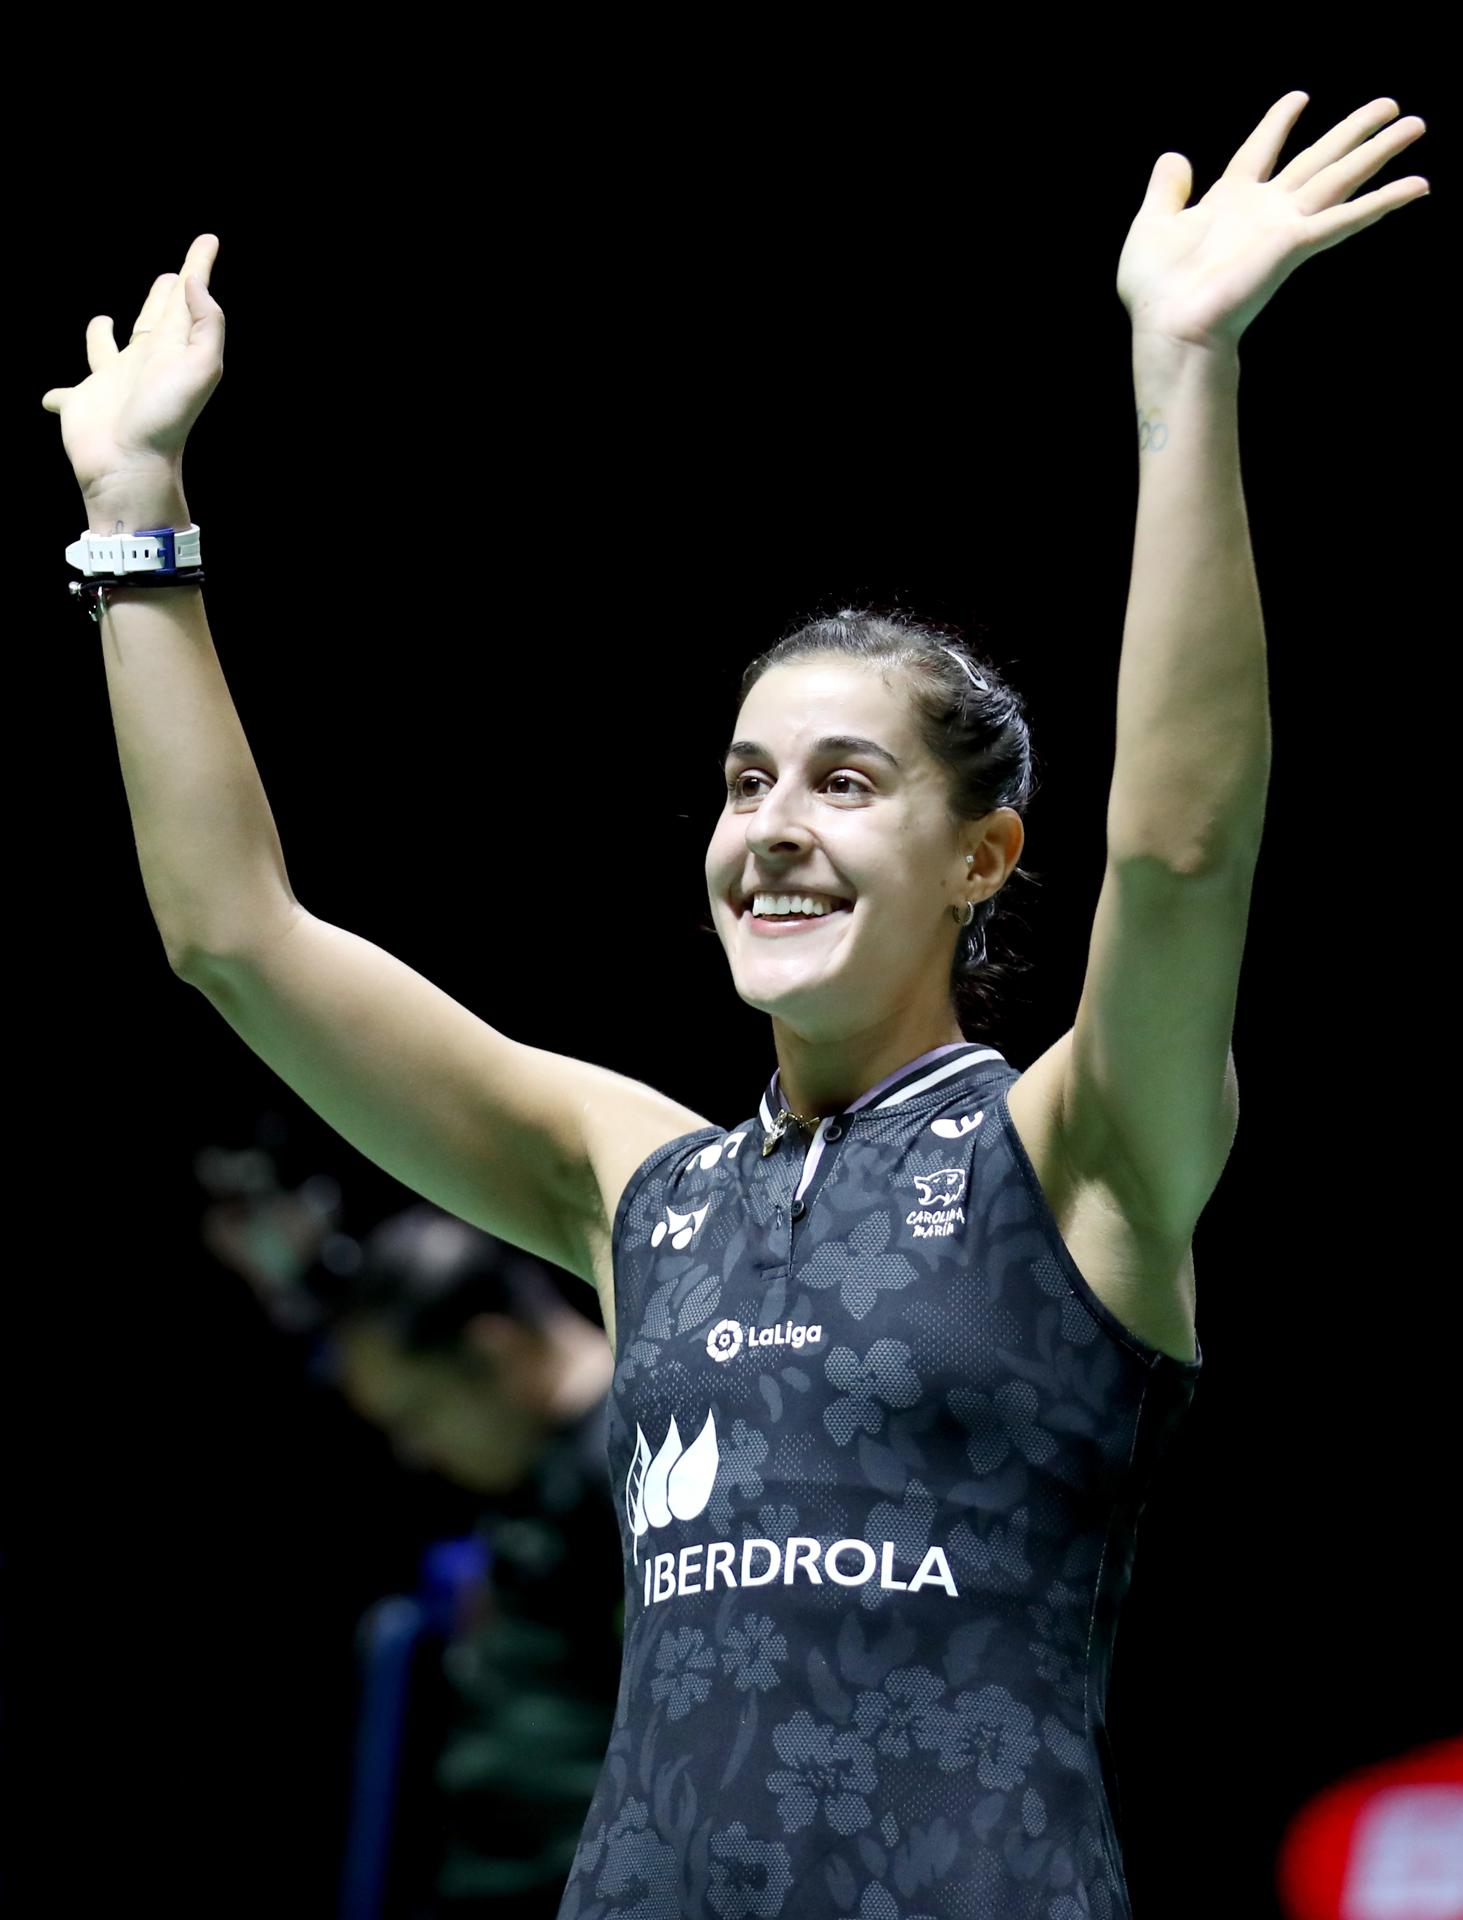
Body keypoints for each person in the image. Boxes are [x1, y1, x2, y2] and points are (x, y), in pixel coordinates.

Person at [44, 90, 1429, 1919]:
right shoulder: (640, 1187)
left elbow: (1179, 852)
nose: (770, 830)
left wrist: (1183, 378)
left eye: (844, 783)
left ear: (986, 856)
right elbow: (233, 938)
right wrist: (137, 515)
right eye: (741, 780)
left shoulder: (1078, 1152)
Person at [198, 1157, 623, 1913]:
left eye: (418, 1416)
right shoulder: (533, 1465)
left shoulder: (632, 1469)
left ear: (496, 1353)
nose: (416, 1455)